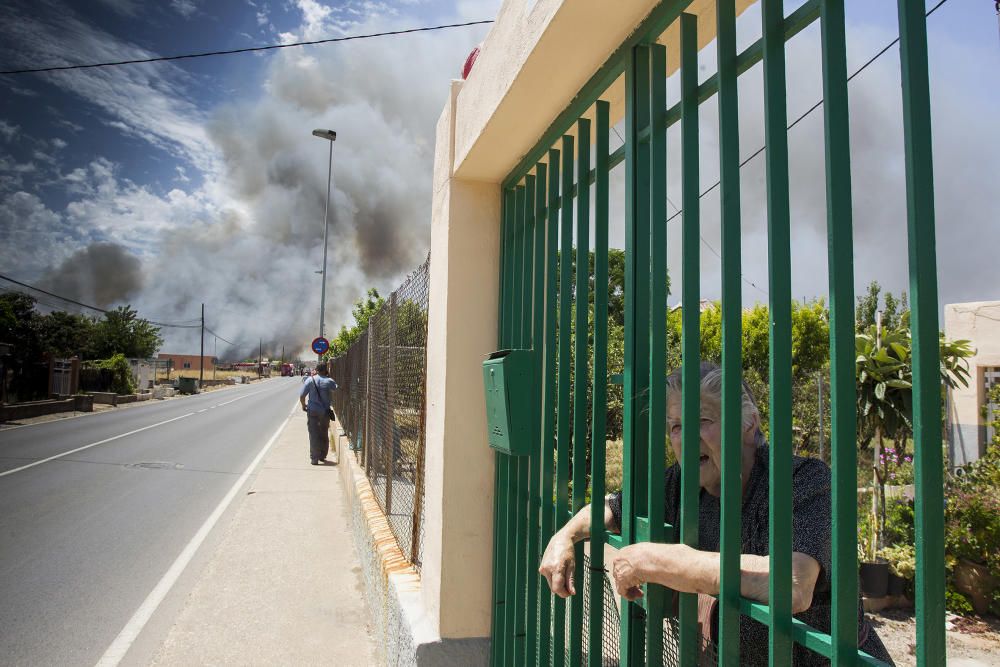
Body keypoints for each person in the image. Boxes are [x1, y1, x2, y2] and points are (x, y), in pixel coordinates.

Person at [538, 362, 893, 666]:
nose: (686, 438)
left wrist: (664, 561)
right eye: (676, 426)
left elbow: (793, 584)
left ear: (748, 424)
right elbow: (613, 506)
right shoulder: (681, 482)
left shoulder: (801, 480)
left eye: (703, 419)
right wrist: (565, 536)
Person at [298, 361, 338, 465]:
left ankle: (314, 458)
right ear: (326, 369)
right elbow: (336, 389)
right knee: (324, 433)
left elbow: (302, 395)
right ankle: (322, 455)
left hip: (312, 411)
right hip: (324, 412)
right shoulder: (329, 381)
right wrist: (328, 376)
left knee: (313, 434)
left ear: (316, 369)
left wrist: (303, 405)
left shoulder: (310, 380)